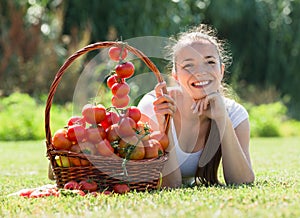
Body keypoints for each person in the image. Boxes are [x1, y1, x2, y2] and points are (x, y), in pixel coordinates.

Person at [138, 24, 255, 188]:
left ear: (221, 70)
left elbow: (242, 181)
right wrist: (165, 125)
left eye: (210, 62)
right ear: (175, 75)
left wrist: (223, 119)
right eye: (188, 65)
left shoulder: (236, 115)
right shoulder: (154, 106)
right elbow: (170, 185)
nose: (200, 72)